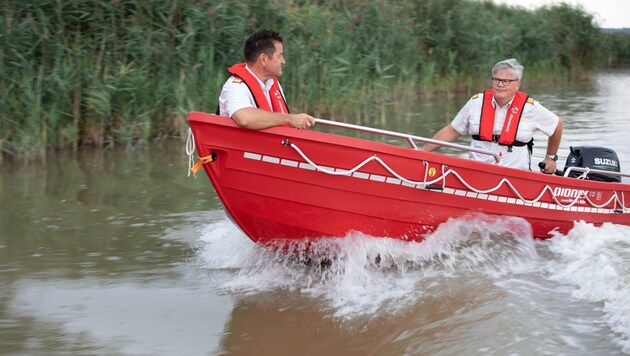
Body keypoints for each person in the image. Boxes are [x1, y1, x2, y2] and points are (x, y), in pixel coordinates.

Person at [422, 58, 563, 173]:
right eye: (497, 80)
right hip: (476, 173)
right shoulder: (476, 102)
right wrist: (422, 152)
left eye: (506, 81)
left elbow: (556, 125)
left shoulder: (530, 108)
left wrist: (550, 158)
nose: (500, 84)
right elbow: (453, 130)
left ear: (517, 85)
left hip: (515, 176)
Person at [217, 29, 315, 130]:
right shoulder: (235, 87)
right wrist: (289, 119)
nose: (283, 61)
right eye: (279, 56)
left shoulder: (272, 84)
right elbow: (244, 118)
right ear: (263, 59)